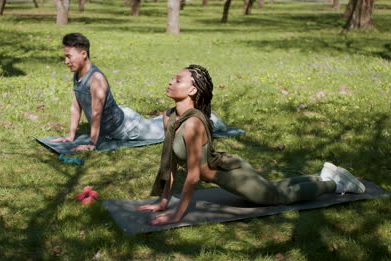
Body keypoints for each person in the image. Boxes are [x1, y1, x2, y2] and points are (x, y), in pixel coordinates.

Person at [137, 64, 366, 225]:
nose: (170, 81)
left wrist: (177, 214)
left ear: (192, 90)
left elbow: (194, 175)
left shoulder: (192, 125)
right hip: (225, 169)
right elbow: (170, 163)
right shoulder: (170, 117)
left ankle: (334, 184)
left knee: (274, 196)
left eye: (178, 80)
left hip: (233, 176)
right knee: (274, 188)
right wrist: (163, 201)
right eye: (172, 78)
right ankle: (324, 175)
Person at [52, 33, 228, 152]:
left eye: (69, 56)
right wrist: (70, 135)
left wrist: (92, 142)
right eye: (65, 56)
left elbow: (96, 113)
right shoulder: (78, 74)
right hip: (120, 117)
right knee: (159, 123)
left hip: (128, 128)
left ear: (83, 54)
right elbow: (76, 106)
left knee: (166, 129)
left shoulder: (96, 79)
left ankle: (210, 119)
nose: (66, 61)